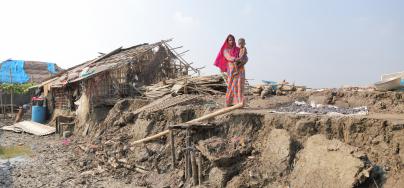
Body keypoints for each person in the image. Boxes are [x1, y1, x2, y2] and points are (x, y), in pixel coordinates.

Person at [214, 34, 246, 107]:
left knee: (239, 85)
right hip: (231, 69)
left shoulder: (239, 49)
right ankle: (229, 102)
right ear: (227, 41)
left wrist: (243, 61)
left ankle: (239, 103)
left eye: (232, 40)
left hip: (240, 68)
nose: (231, 41)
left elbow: (245, 57)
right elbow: (228, 57)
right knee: (231, 84)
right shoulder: (225, 50)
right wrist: (235, 59)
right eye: (230, 40)